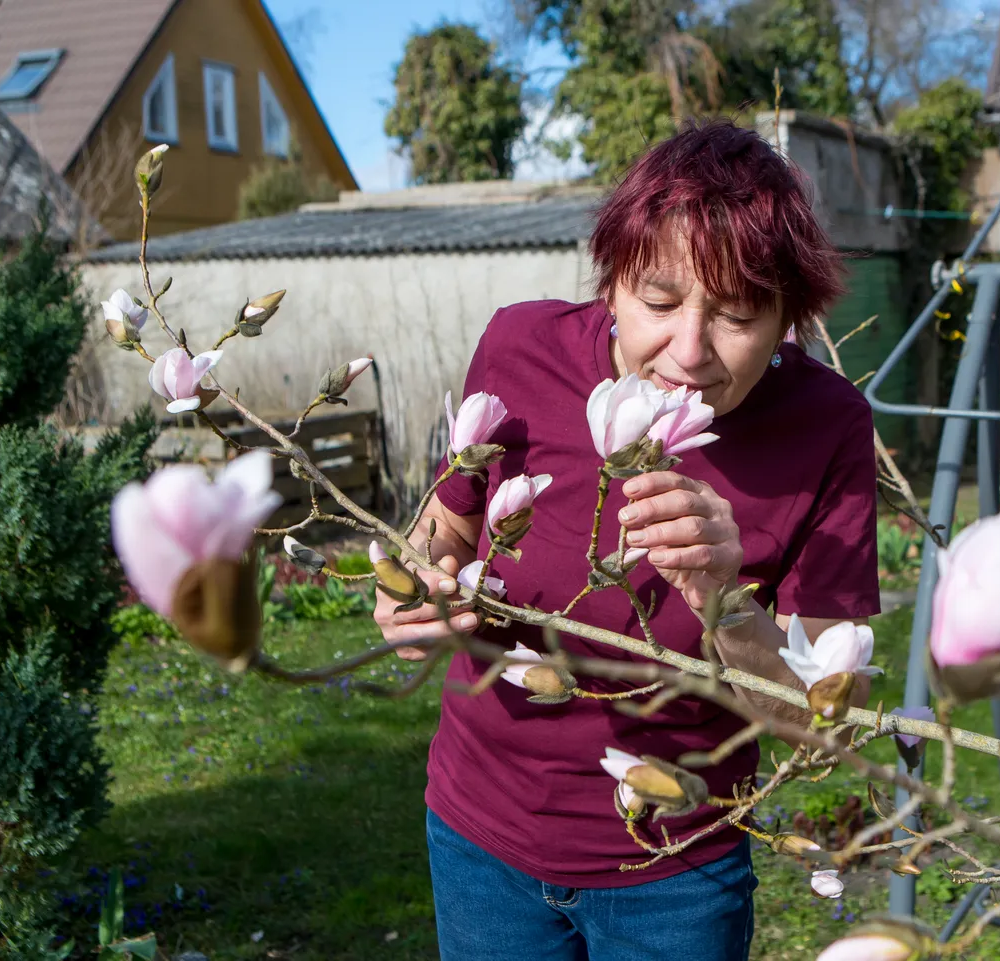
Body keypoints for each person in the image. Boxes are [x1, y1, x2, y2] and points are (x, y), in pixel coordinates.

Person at [374, 117, 880, 961]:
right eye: (659, 300)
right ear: (611, 282)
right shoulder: (519, 350)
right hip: (481, 837)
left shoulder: (826, 428)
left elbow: (821, 730)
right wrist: (408, 592)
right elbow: (446, 526)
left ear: (790, 315)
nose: (689, 351)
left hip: (674, 871)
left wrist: (724, 598)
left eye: (737, 315)